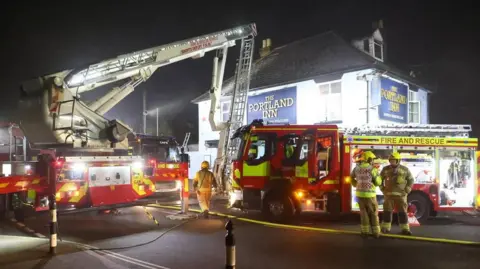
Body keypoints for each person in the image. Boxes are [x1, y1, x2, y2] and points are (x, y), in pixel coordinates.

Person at [380, 152, 414, 235]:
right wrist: (382, 189)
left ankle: (405, 229)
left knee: (402, 212)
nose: (392, 162)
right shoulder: (385, 169)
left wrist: (408, 188)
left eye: (394, 160)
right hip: (388, 195)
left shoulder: (405, 169)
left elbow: (411, 180)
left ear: (398, 160)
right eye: (391, 160)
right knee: (387, 212)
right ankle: (385, 228)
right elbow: (379, 180)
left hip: (401, 195)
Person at [350, 151, 382, 238]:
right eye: (372, 159)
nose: (373, 161)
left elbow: (351, 177)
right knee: (373, 213)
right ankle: (376, 233)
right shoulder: (372, 169)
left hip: (360, 195)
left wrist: (355, 184)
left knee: (364, 214)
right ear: (369, 159)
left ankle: (365, 232)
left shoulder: (356, 168)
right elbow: (378, 182)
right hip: (370, 196)